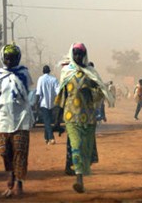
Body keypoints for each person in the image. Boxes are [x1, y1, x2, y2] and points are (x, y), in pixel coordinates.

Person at [56, 42, 112, 193]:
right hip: (71, 116)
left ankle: (82, 174)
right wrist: (57, 120)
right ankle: (79, 179)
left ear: (85, 55)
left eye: (81, 54)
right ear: (72, 55)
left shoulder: (91, 72)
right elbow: (62, 96)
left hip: (88, 117)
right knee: (76, 145)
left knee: (86, 148)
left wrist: (90, 91)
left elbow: (99, 92)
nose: (78, 56)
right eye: (76, 54)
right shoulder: (67, 72)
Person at [0, 43, 34, 197]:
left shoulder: (24, 73)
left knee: (20, 150)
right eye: (7, 58)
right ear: (3, 58)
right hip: (4, 117)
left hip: (21, 116)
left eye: (13, 58)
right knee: (4, 151)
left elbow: (27, 91)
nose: (10, 61)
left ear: (18, 58)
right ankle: (10, 174)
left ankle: (18, 182)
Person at [36, 64, 59, 145]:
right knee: (48, 120)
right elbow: (58, 91)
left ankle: (51, 138)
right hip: (52, 104)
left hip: (43, 103)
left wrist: (36, 104)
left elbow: (38, 93)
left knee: (47, 121)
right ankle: (46, 138)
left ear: (43, 71)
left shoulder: (41, 79)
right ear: (49, 71)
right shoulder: (54, 79)